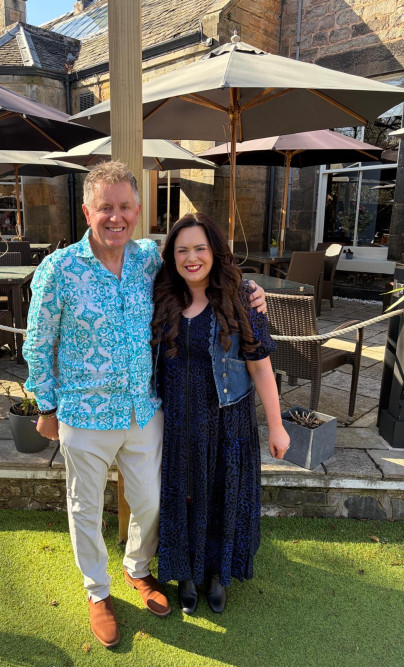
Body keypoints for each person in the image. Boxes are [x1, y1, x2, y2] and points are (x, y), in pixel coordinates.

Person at [22, 162, 267, 648]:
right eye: (105, 208)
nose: (116, 217)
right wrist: (46, 408)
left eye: (125, 207)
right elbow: (37, 341)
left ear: (138, 211)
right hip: (85, 414)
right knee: (85, 508)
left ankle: (137, 568)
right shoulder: (59, 269)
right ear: (87, 211)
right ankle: (97, 591)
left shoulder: (149, 260)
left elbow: (200, 276)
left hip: (145, 410)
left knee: (152, 502)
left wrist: (250, 290)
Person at [151, 212, 290, 615]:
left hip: (228, 419)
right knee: (182, 495)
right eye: (182, 250)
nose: (191, 258)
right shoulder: (161, 294)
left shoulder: (241, 297)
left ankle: (216, 574)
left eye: (200, 248)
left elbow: (260, 366)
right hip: (177, 421)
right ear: (172, 257)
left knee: (221, 497)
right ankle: (186, 574)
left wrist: (277, 427)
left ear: (214, 251)